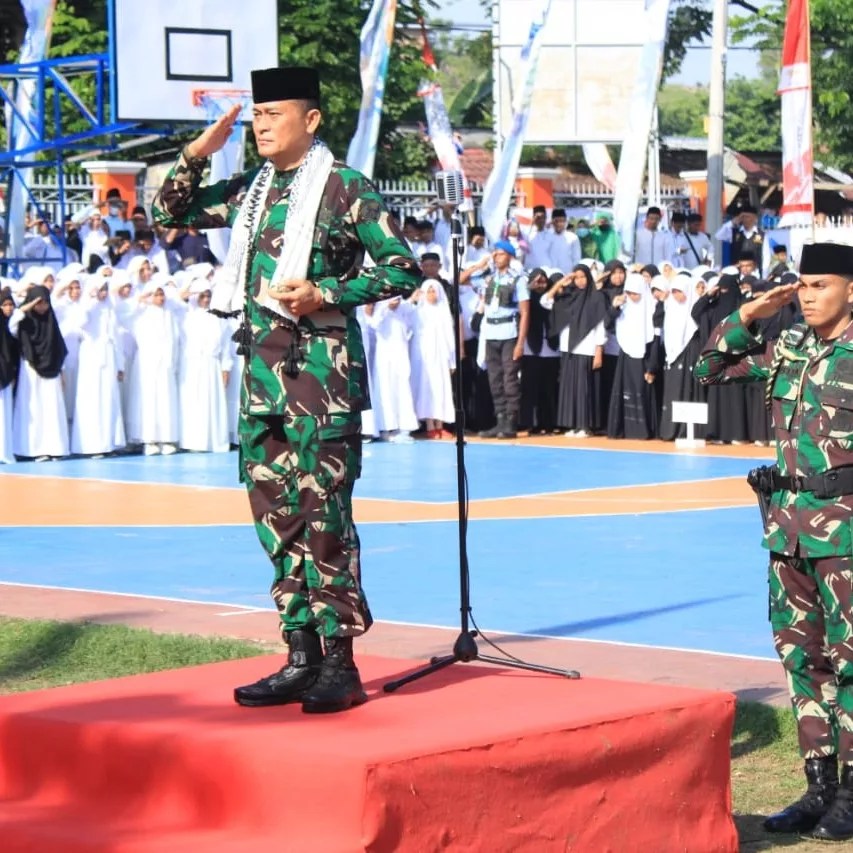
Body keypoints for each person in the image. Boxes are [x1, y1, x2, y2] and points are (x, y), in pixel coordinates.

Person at [152, 65, 420, 713]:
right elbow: (168, 212)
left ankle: (340, 663)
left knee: (325, 518)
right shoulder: (253, 190)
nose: (261, 125)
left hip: (320, 382)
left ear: (312, 119)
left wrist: (326, 291)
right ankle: (300, 655)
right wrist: (198, 152)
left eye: (274, 113)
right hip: (261, 382)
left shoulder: (344, 188)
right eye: (256, 115)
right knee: (276, 519)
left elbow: (401, 269)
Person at [694, 242, 853, 842]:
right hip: (787, 531)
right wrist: (749, 314)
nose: (807, 296)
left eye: (821, 285)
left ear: (852, 290)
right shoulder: (790, 346)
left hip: (846, 532)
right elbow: (708, 370)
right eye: (802, 286)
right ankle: (819, 786)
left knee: (851, 661)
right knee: (802, 661)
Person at [474, 239, 529, 439]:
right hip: (491, 334)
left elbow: (525, 312)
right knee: (494, 379)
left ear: (510, 256)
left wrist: (520, 343)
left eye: (501, 254)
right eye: (495, 254)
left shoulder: (518, 280)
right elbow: (462, 280)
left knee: (510, 379)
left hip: (509, 334)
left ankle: (510, 422)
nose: (497, 257)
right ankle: (499, 420)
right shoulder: (489, 278)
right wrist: (481, 265)